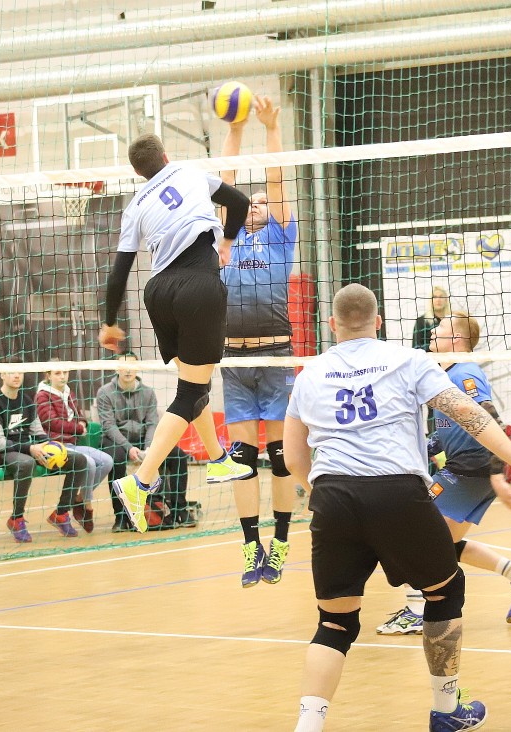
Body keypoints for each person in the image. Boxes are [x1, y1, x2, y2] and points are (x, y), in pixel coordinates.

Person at [283, 284, 511, 732]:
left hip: (332, 495)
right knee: (444, 591)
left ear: (332, 325)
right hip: (396, 492)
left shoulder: (310, 374)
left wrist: (319, 491)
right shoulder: (409, 360)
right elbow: (470, 414)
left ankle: (308, 726)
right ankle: (446, 711)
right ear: (378, 322)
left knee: (335, 622)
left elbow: (293, 457)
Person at [99, 133, 253, 533]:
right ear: (166, 157)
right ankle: (140, 482)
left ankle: (218, 460)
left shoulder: (135, 206)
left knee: (194, 385)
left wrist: (109, 322)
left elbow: (118, 273)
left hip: (158, 292)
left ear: (138, 172)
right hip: (198, 286)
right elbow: (239, 203)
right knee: (190, 393)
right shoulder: (188, 172)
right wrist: (227, 242)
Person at [377, 312, 511, 635]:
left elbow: (488, 418)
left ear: (455, 339)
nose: (432, 331)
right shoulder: (443, 373)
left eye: (440, 328)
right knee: (443, 542)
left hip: (471, 468)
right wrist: (425, 446)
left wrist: (498, 474)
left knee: (409, 533)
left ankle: (416, 611)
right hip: (466, 468)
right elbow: (450, 428)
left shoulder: (465, 372)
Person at [218, 95, 299, 587]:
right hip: (233, 360)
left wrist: (269, 129)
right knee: (241, 462)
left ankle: (282, 540)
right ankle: (252, 549)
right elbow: (225, 182)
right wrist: (235, 127)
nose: (258, 204)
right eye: (251, 202)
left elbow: (276, 179)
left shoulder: (279, 238)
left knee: (281, 459)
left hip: (276, 357)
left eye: (264, 201)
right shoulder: (222, 240)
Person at [0, 371, 89, 542]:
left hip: (29, 447)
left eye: (20, 372)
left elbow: (38, 432)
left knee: (78, 460)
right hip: (4, 453)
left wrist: (51, 446)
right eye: (11, 372)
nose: (16, 376)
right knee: (27, 463)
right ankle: (16, 518)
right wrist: (30, 448)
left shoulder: (27, 400)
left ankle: (61, 514)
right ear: (2, 375)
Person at [96, 353, 194, 531]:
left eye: (132, 366)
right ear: (116, 368)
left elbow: (152, 423)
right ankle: (121, 517)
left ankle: (179, 509)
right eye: (124, 366)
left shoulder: (148, 393)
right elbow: (109, 426)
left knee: (178, 456)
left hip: (144, 439)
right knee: (116, 459)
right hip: (117, 440)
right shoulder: (105, 392)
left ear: (138, 368)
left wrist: (150, 448)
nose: (128, 370)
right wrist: (129, 448)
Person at [35, 366, 115, 534]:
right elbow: (51, 423)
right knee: (89, 463)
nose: (62, 376)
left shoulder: (68, 392)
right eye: (57, 372)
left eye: (65, 372)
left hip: (72, 444)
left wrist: (83, 422)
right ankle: (86, 506)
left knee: (107, 461)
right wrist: (78, 428)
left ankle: (79, 500)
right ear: (48, 375)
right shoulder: (42, 395)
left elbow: (79, 415)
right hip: (54, 446)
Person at [413, 286, 450, 352]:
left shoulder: (453, 320)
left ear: (446, 300)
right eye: (435, 297)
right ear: (431, 300)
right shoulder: (421, 321)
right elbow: (416, 346)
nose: (438, 300)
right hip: (429, 357)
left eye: (441, 297)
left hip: (451, 357)